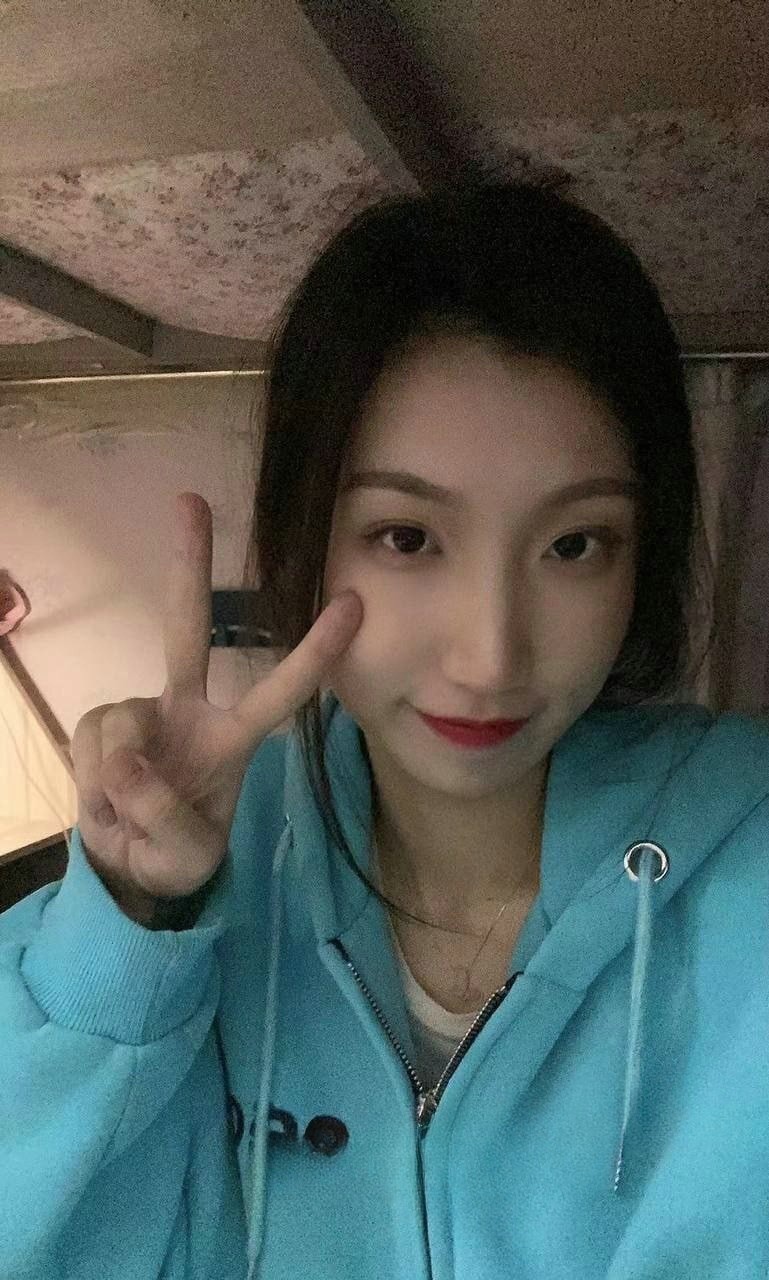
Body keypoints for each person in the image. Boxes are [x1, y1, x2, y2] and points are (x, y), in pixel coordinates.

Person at [2, 179, 768, 1280]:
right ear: (304, 539)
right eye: (407, 537)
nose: (491, 656)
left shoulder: (746, 871)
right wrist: (126, 930)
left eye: (573, 544)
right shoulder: (201, 880)